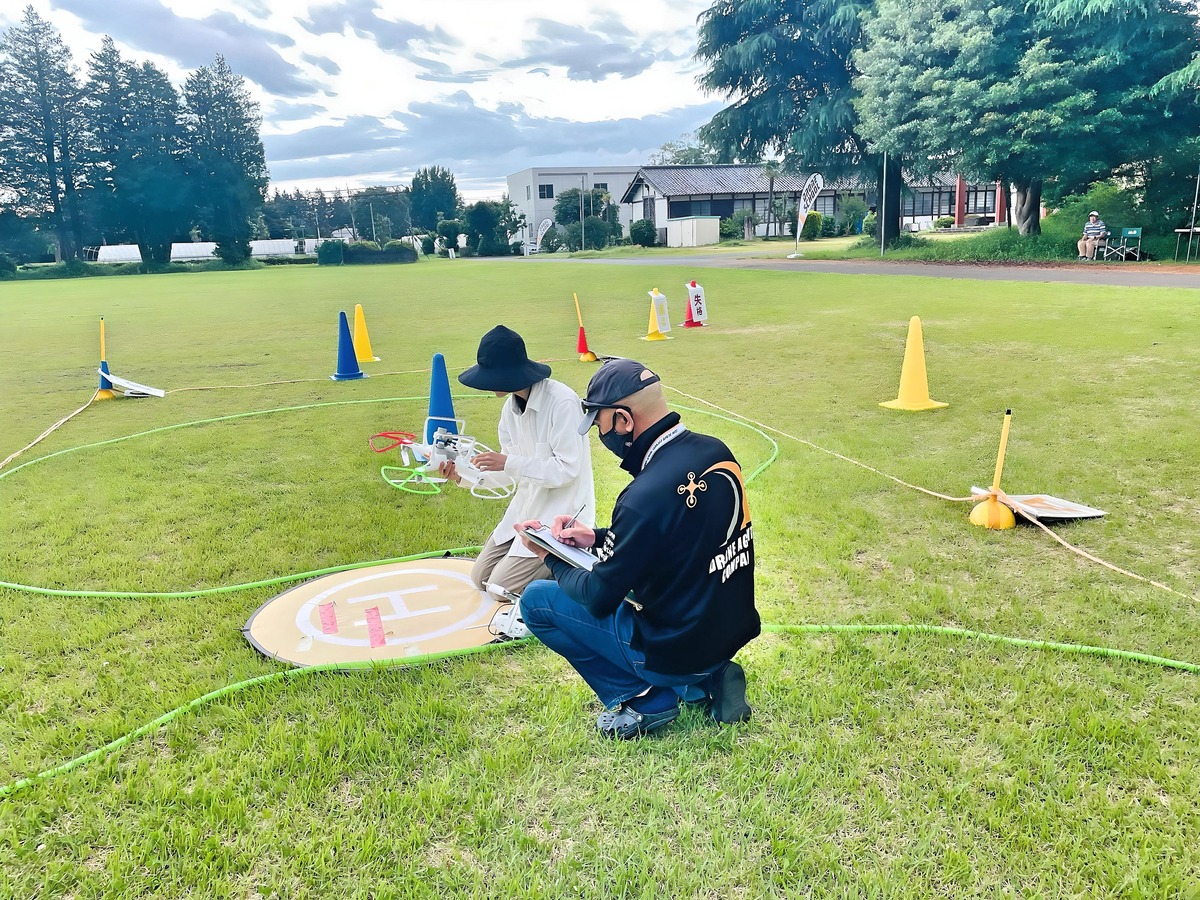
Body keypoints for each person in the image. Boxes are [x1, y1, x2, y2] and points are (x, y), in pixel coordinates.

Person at [515, 358, 760, 739]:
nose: (599, 432)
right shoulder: (716, 451)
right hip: (728, 631)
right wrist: (595, 537)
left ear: (624, 421)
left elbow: (597, 598)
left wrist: (549, 556)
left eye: (600, 422)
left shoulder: (642, 496)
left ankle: (647, 696)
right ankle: (708, 676)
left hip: (678, 647)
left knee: (535, 600)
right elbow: (680, 536)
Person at [449, 325, 594, 599]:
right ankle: (545, 564)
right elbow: (508, 470)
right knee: (480, 578)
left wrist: (509, 462)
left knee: (501, 590)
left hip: (558, 515)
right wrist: (461, 475)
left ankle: (569, 566)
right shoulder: (510, 408)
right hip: (523, 512)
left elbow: (567, 470)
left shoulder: (561, 402)